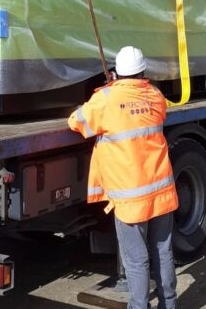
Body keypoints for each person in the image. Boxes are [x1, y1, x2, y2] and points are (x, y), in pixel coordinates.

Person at [68, 46, 178, 309]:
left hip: (130, 198)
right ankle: (169, 305)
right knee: (163, 252)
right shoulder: (154, 94)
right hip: (161, 191)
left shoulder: (105, 99)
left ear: (116, 72)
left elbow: (77, 122)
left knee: (136, 259)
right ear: (143, 71)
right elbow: (158, 114)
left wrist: (108, 93)